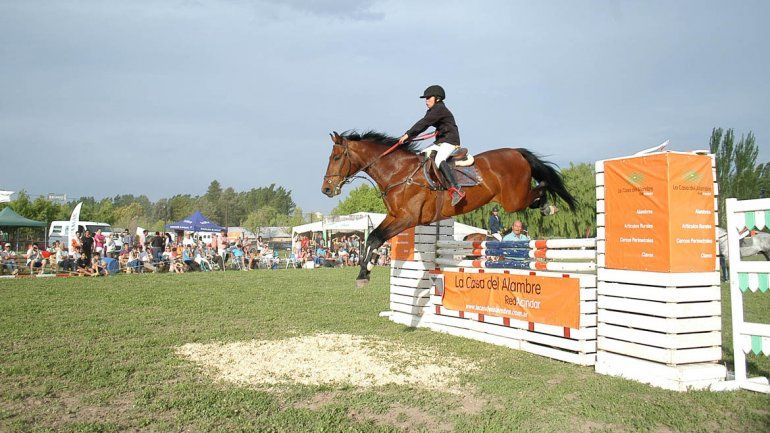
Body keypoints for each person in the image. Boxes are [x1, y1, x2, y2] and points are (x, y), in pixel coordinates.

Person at [397, 84, 465, 205]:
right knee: (422, 156)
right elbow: (423, 125)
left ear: (437, 98)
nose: (426, 101)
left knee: (439, 160)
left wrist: (408, 135)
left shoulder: (439, 109)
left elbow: (423, 123)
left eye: (428, 98)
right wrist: (410, 137)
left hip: (450, 140)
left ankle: (456, 189)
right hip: (440, 141)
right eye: (426, 98)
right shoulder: (433, 110)